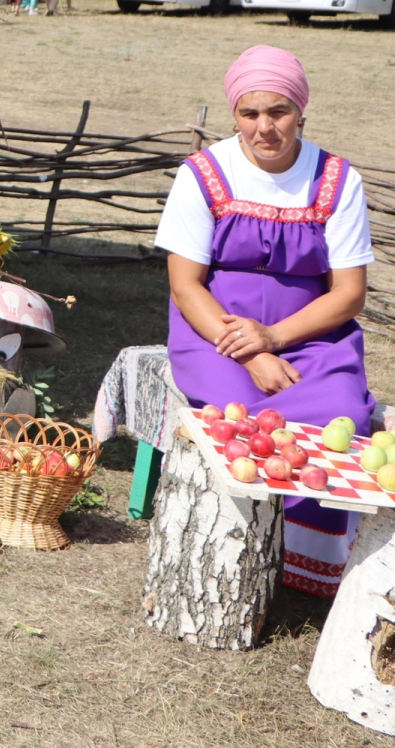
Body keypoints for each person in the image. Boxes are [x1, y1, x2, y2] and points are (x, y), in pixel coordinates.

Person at [154, 45, 375, 596]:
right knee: (241, 417)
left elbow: (348, 294)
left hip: (311, 334)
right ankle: (233, 556)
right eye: (249, 114)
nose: (264, 128)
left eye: (277, 112)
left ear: (301, 111)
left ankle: (304, 565)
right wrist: (250, 351)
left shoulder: (336, 180)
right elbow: (185, 284)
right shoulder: (203, 175)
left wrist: (275, 337)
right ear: (234, 115)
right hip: (214, 333)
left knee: (340, 414)